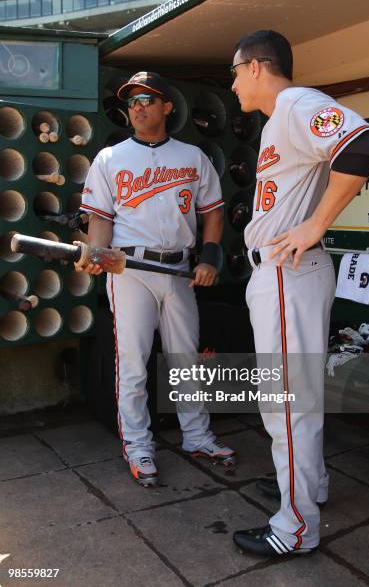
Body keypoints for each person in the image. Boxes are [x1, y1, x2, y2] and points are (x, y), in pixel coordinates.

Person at [230, 31, 369, 556]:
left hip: (287, 273)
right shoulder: (281, 118)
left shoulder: (295, 102)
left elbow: (363, 143)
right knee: (296, 400)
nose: (231, 84)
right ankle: (309, 488)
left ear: (256, 67)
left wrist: (317, 223)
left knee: (286, 404)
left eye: (234, 71)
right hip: (283, 275)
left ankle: (295, 528)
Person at [77, 71, 235, 486]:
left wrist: (211, 258)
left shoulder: (192, 156)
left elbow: (214, 212)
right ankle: (138, 444)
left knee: (186, 359)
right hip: (130, 269)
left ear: (167, 106)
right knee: (133, 362)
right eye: (132, 101)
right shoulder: (110, 159)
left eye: (148, 99)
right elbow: (100, 219)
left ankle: (197, 436)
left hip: (181, 269)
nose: (139, 106)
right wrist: (96, 253)